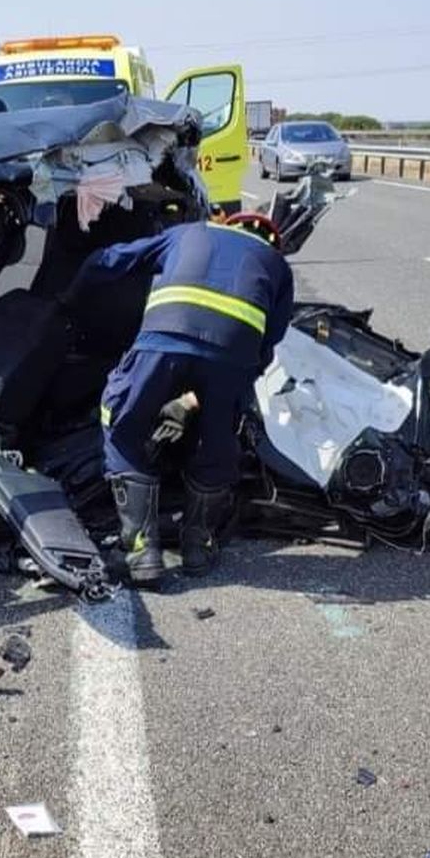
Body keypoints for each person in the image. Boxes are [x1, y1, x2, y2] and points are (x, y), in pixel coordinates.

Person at [62, 212, 294, 582]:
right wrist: (231, 387)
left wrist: (70, 305)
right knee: (217, 443)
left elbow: (108, 260)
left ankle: (141, 554)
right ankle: (197, 549)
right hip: (233, 352)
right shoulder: (277, 265)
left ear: (228, 223)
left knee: (121, 421)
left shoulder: (188, 233)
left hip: (164, 338)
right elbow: (271, 340)